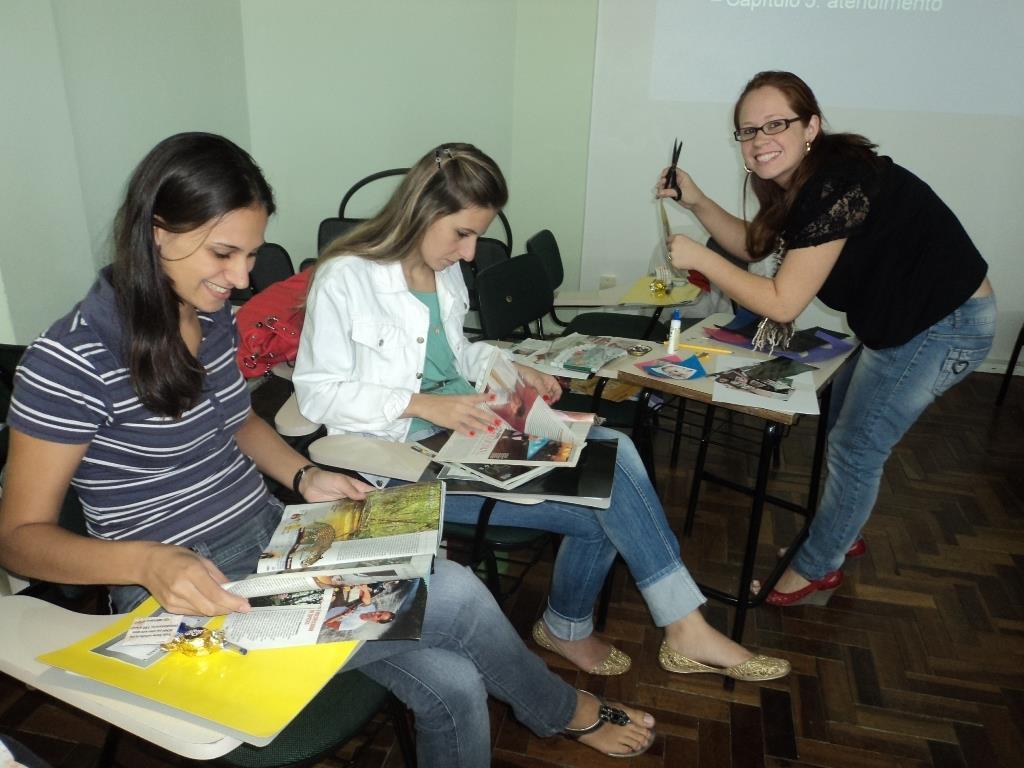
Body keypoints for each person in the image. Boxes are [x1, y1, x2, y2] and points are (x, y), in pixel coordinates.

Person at [0, 132, 659, 764]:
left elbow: (238, 423)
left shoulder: (206, 314)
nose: (241, 277)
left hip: (270, 542)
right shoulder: (69, 360)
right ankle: (566, 712)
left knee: (456, 683)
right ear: (156, 232)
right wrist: (147, 562)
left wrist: (303, 475)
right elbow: (18, 540)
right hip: (180, 600)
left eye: (251, 255)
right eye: (224, 253)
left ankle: (554, 709)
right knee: (454, 595)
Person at [292, 142, 790, 683]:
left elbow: (456, 354)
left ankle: (618, 627)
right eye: (462, 233)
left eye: (476, 236)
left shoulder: (444, 272)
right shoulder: (346, 277)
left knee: (610, 483)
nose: (469, 252)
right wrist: (424, 404)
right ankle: (637, 626)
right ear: (421, 210)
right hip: (399, 460)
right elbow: (318, 393)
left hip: (471, 428)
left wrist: (508, 366)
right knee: (610, 494)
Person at [656, 71, 996, 605]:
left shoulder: (837, 183)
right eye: (748, 131)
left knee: (856, 446)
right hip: (906, 321)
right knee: (844, 425)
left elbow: (782, 302)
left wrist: (701, 257)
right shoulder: (805, 182)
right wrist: (696, 200)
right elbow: (754, 246)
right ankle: (842, 529)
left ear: (810, 126)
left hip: (945, 324)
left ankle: (816, 567)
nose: (760, 140)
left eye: (776, 124)